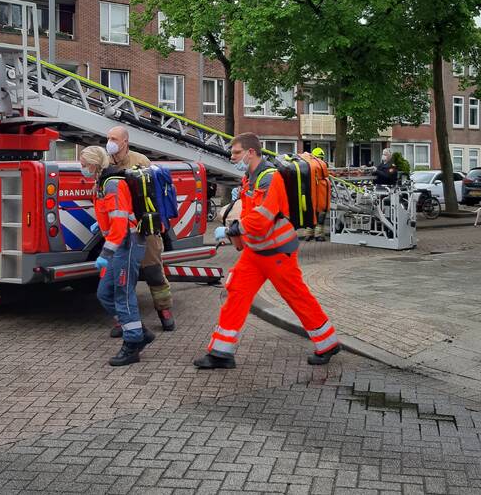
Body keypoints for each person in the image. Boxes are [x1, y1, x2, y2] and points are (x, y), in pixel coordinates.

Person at [194, 133, 341, 370]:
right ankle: (220, 353)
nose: (232, 157)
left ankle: (327, 343)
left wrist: (231, 230)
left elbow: (262, 218)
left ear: (251, 152)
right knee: (236, 291)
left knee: (296, 297)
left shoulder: (269, 178)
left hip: (278, 252)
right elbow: (251, 213)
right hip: (256, 252)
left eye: (237, 152)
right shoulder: (250, 178)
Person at [80, 145, 155, 366]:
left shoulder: (112, 184)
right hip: (121, 244)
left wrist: (105, 253)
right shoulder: (103, 182)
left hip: (127, 244)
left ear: (94, 164)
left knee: (123, 295)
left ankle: (132, 344)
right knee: (104, 293)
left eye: (84, 164)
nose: (82, 168)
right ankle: (139, 332)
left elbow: (121, 222)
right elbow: (114, 215)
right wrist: (101, 224)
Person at [103, 126, 175, 332]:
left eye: (114, 138)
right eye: (108, 138)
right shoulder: (105, 163)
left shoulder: (140, 161)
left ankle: (164, 310)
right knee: (123, 277)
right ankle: (124, 319)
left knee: (154, 271)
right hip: (121, 230)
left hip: (145, 227)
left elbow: (153, 194)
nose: (110, 142)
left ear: (125, 141)